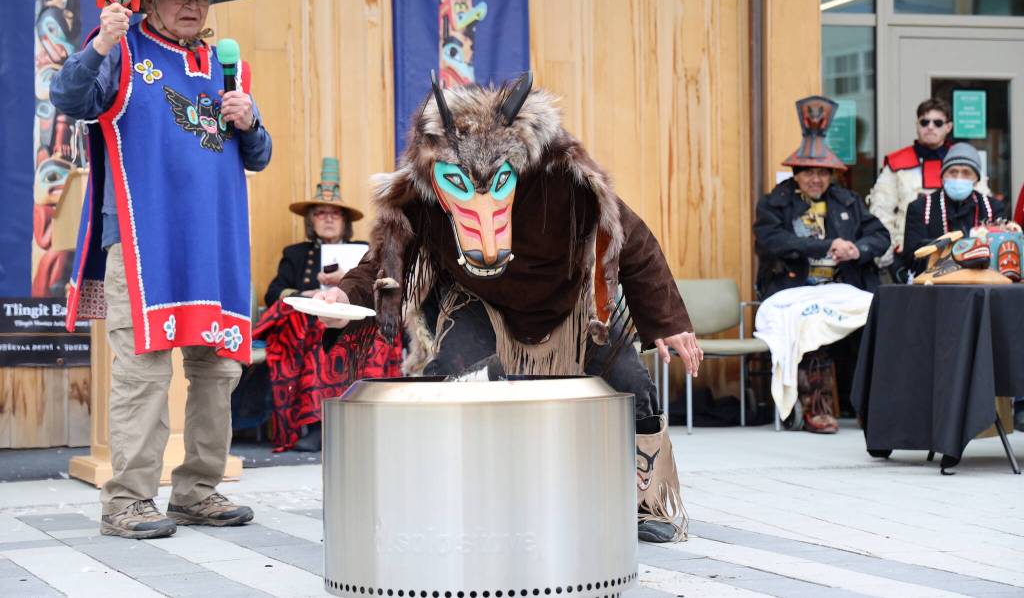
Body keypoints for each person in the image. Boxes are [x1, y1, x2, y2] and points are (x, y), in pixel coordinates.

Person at [316, 73, 701, 543]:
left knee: (630, 385)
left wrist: (670, 323)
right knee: (449, 374)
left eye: (496, 180)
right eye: (460, 182)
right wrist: (344, 297)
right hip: (484, 304)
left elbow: (631, 239)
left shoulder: (563, 177)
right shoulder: (424, 191)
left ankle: (647, 502)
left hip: (572, 305)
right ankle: (447, 490)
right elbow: (384, 255)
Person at [51, 0, 267, 539]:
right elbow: (70, 99)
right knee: (143, 374)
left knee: (218, 371)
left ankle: (197, 491)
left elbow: (258, 156)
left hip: (216, 249)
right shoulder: (123, 49)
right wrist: (98, 45)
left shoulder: (231, 70)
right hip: (145, 244)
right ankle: (127, 501)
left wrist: (250, 122)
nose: (193, 6)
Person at [754, 96, 890, 433]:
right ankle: (817, 405)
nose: (816, 179)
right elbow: (772, 241)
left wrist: (857, 250)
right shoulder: (776, 203)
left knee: (878, 320)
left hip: (844, 287)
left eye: (823, 173)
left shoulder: (847, 201)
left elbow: (880, 235)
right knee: (810, 326)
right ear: (796, 174)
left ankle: (871, 407)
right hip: (795, 288)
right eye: (810, 172)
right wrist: (826, 245)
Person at [253, 158, 402, 452]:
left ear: (345, 222)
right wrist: (306, 294)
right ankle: (316, 424)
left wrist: (347, 281)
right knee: (318, 341)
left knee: (374, 339)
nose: (329, 219)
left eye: (335, 214)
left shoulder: (365, 251)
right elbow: (274, 293)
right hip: (309, 324)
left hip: (358, 320)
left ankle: (366, 423)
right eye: (321, 213)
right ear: (311, 221)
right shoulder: (295, 254)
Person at [867, 98, 989, 272]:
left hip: (964, 255)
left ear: (948, 127)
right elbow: (881, 213)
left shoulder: (964, 163)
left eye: (937, 122)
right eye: (925, 122)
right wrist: (889, 257)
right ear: (917, 125)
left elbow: (983, 205)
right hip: (907, 256)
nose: (930, 127)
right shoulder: (897, 164)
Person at [903, 143, 1005, 276]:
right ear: (943, 176)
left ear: (976, 179)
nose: (958, 178)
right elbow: (912, 257)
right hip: (934, 286)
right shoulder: (920, 207)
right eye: (953, 172)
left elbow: (1000, 254)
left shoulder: (993, 208)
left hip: (981, 283)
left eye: (966, 173)